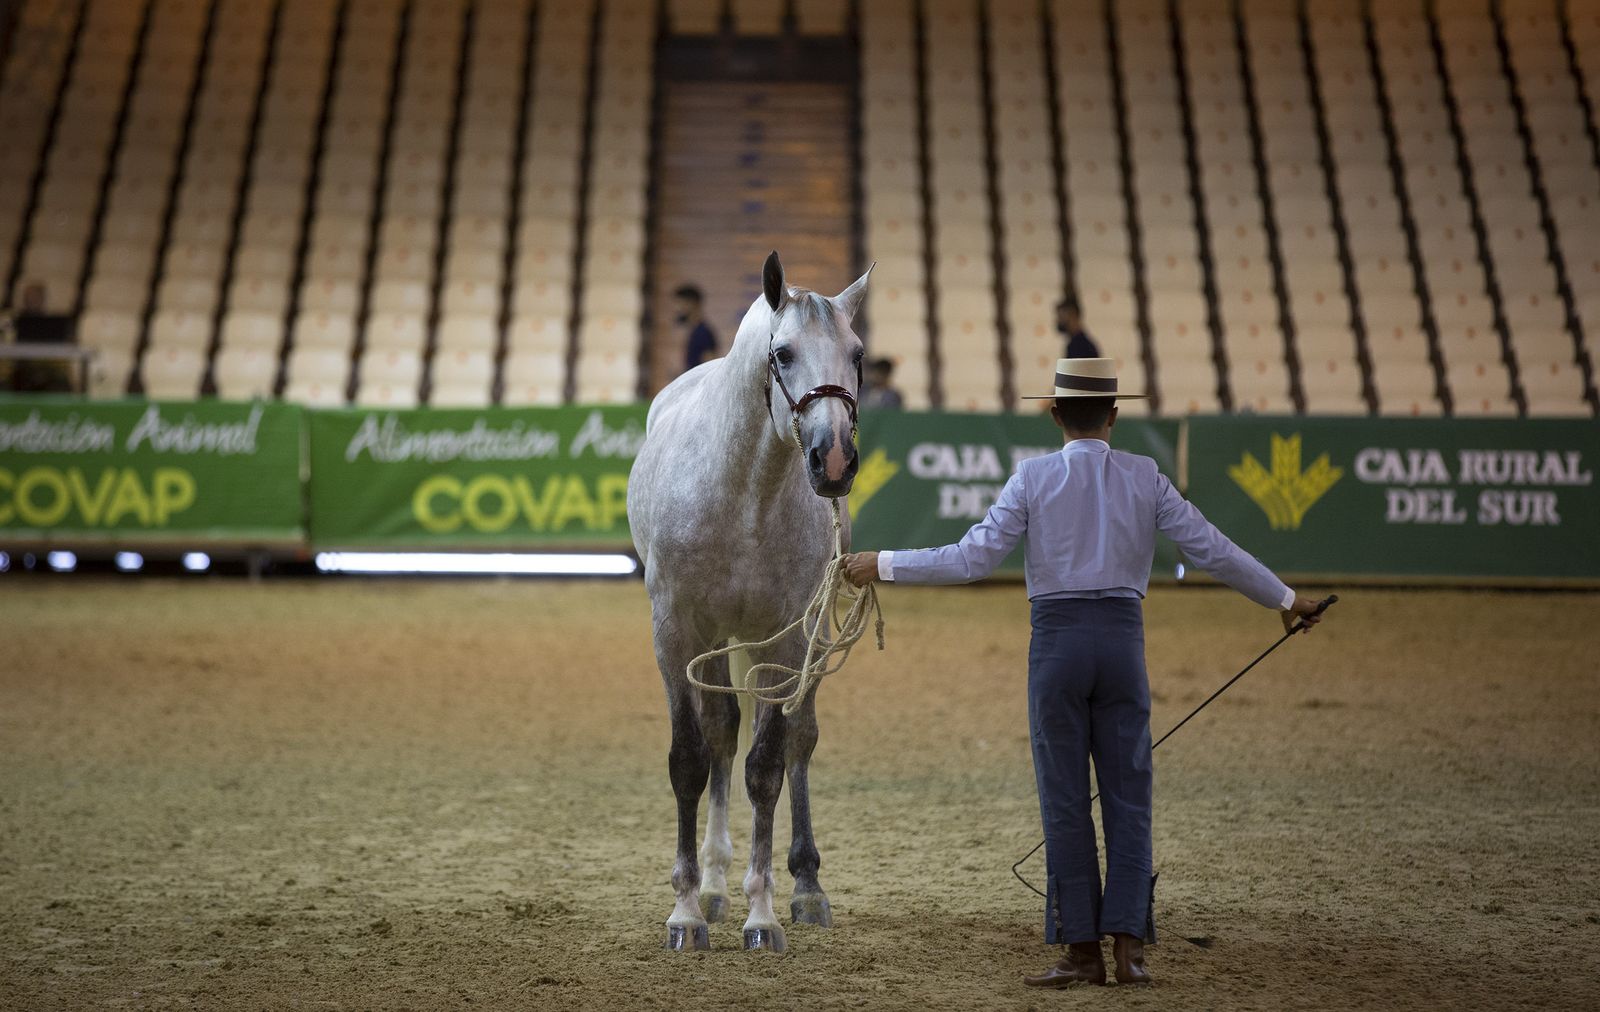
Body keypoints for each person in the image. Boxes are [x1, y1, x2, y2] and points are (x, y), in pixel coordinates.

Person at [840, 357, 1326, 988]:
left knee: (1065, 801)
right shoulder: (1146, 476)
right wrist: (1286, 600)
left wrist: (883, 562)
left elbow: (970, 560)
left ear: (1055, 414)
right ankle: (1129, 948)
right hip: (1123, 645)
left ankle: (1080, 951)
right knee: (1130, 795)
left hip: (1058, 647)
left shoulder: (1031, 478)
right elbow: (1213, 549)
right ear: (1114, 416)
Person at [675, 283, 718, 374]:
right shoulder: (691, 331)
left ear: (692, 304)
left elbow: (710, 367)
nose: (677, 309)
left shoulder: (703, 333)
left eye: (680, 304)